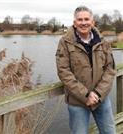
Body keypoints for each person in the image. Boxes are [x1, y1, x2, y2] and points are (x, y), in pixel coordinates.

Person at [56, 6, 117, 134]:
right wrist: (86, 95)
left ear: (92, 22)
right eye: (80, 19)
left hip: (102, 99)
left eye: (86, 19)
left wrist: (98, 94)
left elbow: (110, 68)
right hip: (78, 102)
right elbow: (64, 71)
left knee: (109, 132)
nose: (83, 23)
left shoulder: (102, 41)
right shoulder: (65, 42)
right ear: (74, 23)